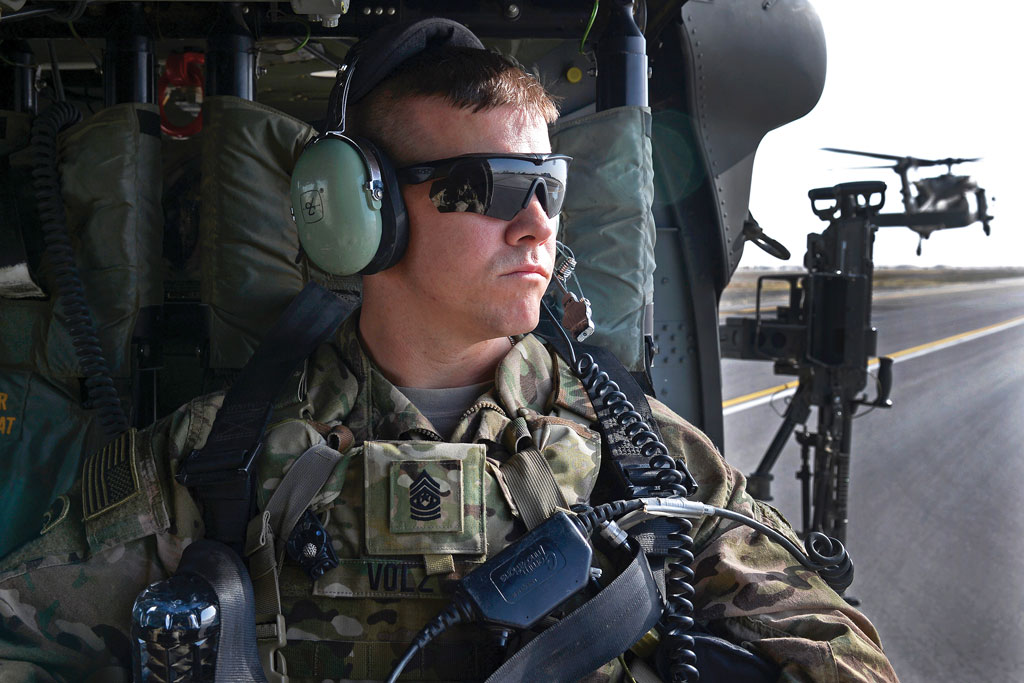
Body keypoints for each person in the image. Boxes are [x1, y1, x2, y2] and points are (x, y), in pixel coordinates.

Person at [0, 20, 898, 683]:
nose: (538, 224)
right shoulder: (213, 463)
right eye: (489, 187)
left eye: (548, 186)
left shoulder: (637, 453)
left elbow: (835, 645)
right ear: (365, 216)